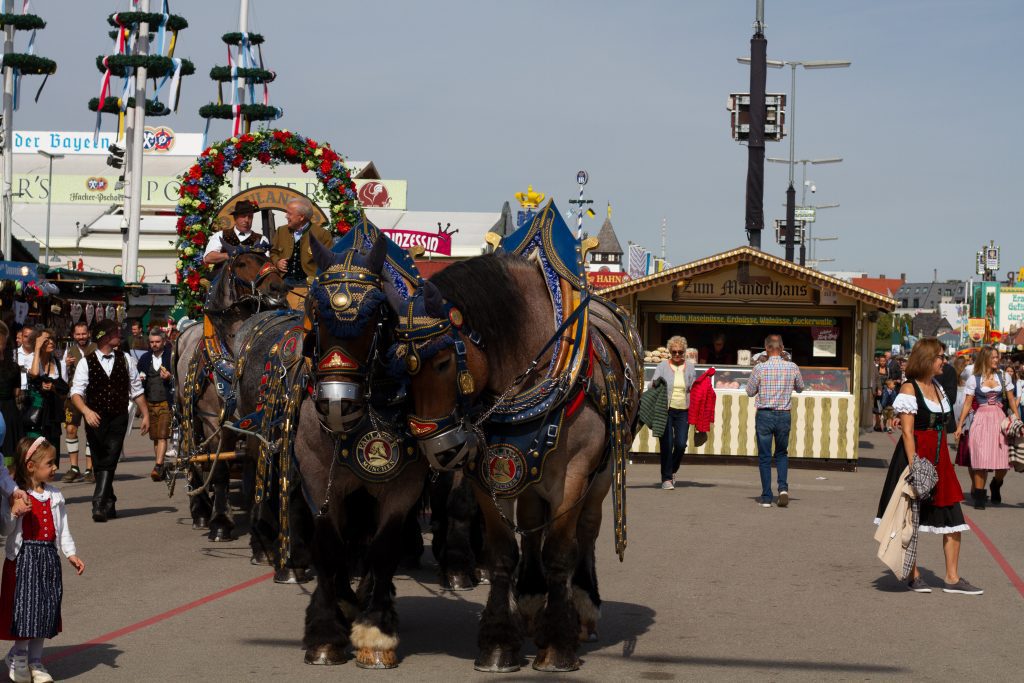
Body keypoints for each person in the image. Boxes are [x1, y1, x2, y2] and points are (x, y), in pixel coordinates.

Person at [876, 337, 981, 595]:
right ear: (927, 359)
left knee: (953, 516)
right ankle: (912, 573)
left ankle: (952, 578)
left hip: (940, 457)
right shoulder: (909, 389)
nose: (943, 361)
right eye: (939, 357)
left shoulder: (938, 387)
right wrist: (915, 467)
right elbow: (908, 433)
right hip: (916, 457)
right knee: (910, 516)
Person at [0, 437, 84, 683]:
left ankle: (35, 661)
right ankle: (19, 657)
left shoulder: (55, 496)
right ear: (31, 467)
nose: (55, 467)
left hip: (47, 560)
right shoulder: (17, 495)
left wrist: (70, 553)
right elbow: (5, 529)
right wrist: (15, 513)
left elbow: (63, 529)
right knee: (25, 613)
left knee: (44, 612)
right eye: (50, 463)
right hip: (23, 561)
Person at [69, 319, 150, 523]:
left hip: (118, 417)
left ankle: (98, 502)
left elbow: (137, 390)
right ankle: (110, 501)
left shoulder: (126, 360)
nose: (119, 334)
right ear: (104, 336)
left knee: (111, 457)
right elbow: (76, 393)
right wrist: (87, 412)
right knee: (98, 460)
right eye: (115, 331)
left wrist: (146, 414)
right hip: (95, 418)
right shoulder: (85, 362)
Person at [954, 346, 1019, 509]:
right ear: (985, 359)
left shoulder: (1004, 377)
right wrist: (960, 425)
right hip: (981, 419)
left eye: (998, 357)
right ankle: (979, 496)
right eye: (994, 357)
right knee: (980, 458)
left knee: (1004, 459)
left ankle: (996, 483)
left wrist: (1017, 418)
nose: (997, 360)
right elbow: (968, 403)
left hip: (999, 419)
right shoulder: (974, 379)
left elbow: (1011, 399)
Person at [745, 334, 803, 507]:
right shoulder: (792, 367)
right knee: (781, 453)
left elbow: (749, 391)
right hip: (784, 414)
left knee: (764, 456)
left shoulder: (760, 368)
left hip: (764, 414)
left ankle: (766, 497)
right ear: (782, 348)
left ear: (767, 348)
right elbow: (800, 388)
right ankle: (783, 489)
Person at [651, 336, 695, 490]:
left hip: (683, 410)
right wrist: (656, 384)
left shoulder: (689, 367)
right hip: (666, 410)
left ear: (684, 352)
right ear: (670, 352)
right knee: (667, 443)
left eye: (680, 352)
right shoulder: (662, 366)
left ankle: (672, 469)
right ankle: (666, 478)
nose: (677, 355)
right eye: (674, 352)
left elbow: (693, 387)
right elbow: (653, 384)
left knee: (681, 444)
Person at [23, 331, 67, 470]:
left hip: (53, 412)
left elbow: (64, 391)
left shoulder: (58, 363)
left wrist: (53, 387)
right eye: (46, 340)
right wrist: (36, 349)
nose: (51, 342)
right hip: (36, 411)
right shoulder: (30, 359)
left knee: (51, 448)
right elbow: (35, 374)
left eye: (52, 339)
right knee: (36, 448)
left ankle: (46, 476)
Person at [136, 328, 174, 482]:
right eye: (152, 342)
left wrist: (170, 377)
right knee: (155, 437)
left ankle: (158, 465)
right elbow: (138, 380)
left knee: (163, 435)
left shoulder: (171, 356)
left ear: (164, 341)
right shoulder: (145, 359)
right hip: (150, 402)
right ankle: (160, 465)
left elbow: (180, 377)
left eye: (157, 342)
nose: (154, 344)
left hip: (166, 401)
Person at [269, 198, 333, 287]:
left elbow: (328, 261)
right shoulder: (281, 231)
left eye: (289, 213)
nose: (286, 216)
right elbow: (273, 252)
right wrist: (277, 262)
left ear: (301, 217)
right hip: (284, 281)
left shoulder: (322, 234)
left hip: (311, 284)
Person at [61, 322, 96, 484]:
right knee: (70, 428)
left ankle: (90, 469)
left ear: (88, 334)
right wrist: (65, 365)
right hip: (73, 395)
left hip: (92, 396)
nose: (81, 337)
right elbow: (62, 377)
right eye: (78, 334)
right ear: (73, 335)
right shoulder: (68, 351)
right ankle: (74, 467)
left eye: (84, 334)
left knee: (91, 431)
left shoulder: (96, 348)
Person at [202, 199, 266, 268]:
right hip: (223, 276)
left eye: (250, 217)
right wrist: (230, 254)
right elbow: (208, 258)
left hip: (251, 277)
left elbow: (266, 263)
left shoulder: (261, 239)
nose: (247, 220)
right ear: (235, 217)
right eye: (243, 216)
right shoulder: (220, 235)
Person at [0, 322, 23, 468]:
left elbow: (17, 392)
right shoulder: (13, 367)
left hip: (9, 411)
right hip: (8, 409)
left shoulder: (14, 368)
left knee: (9, 452)